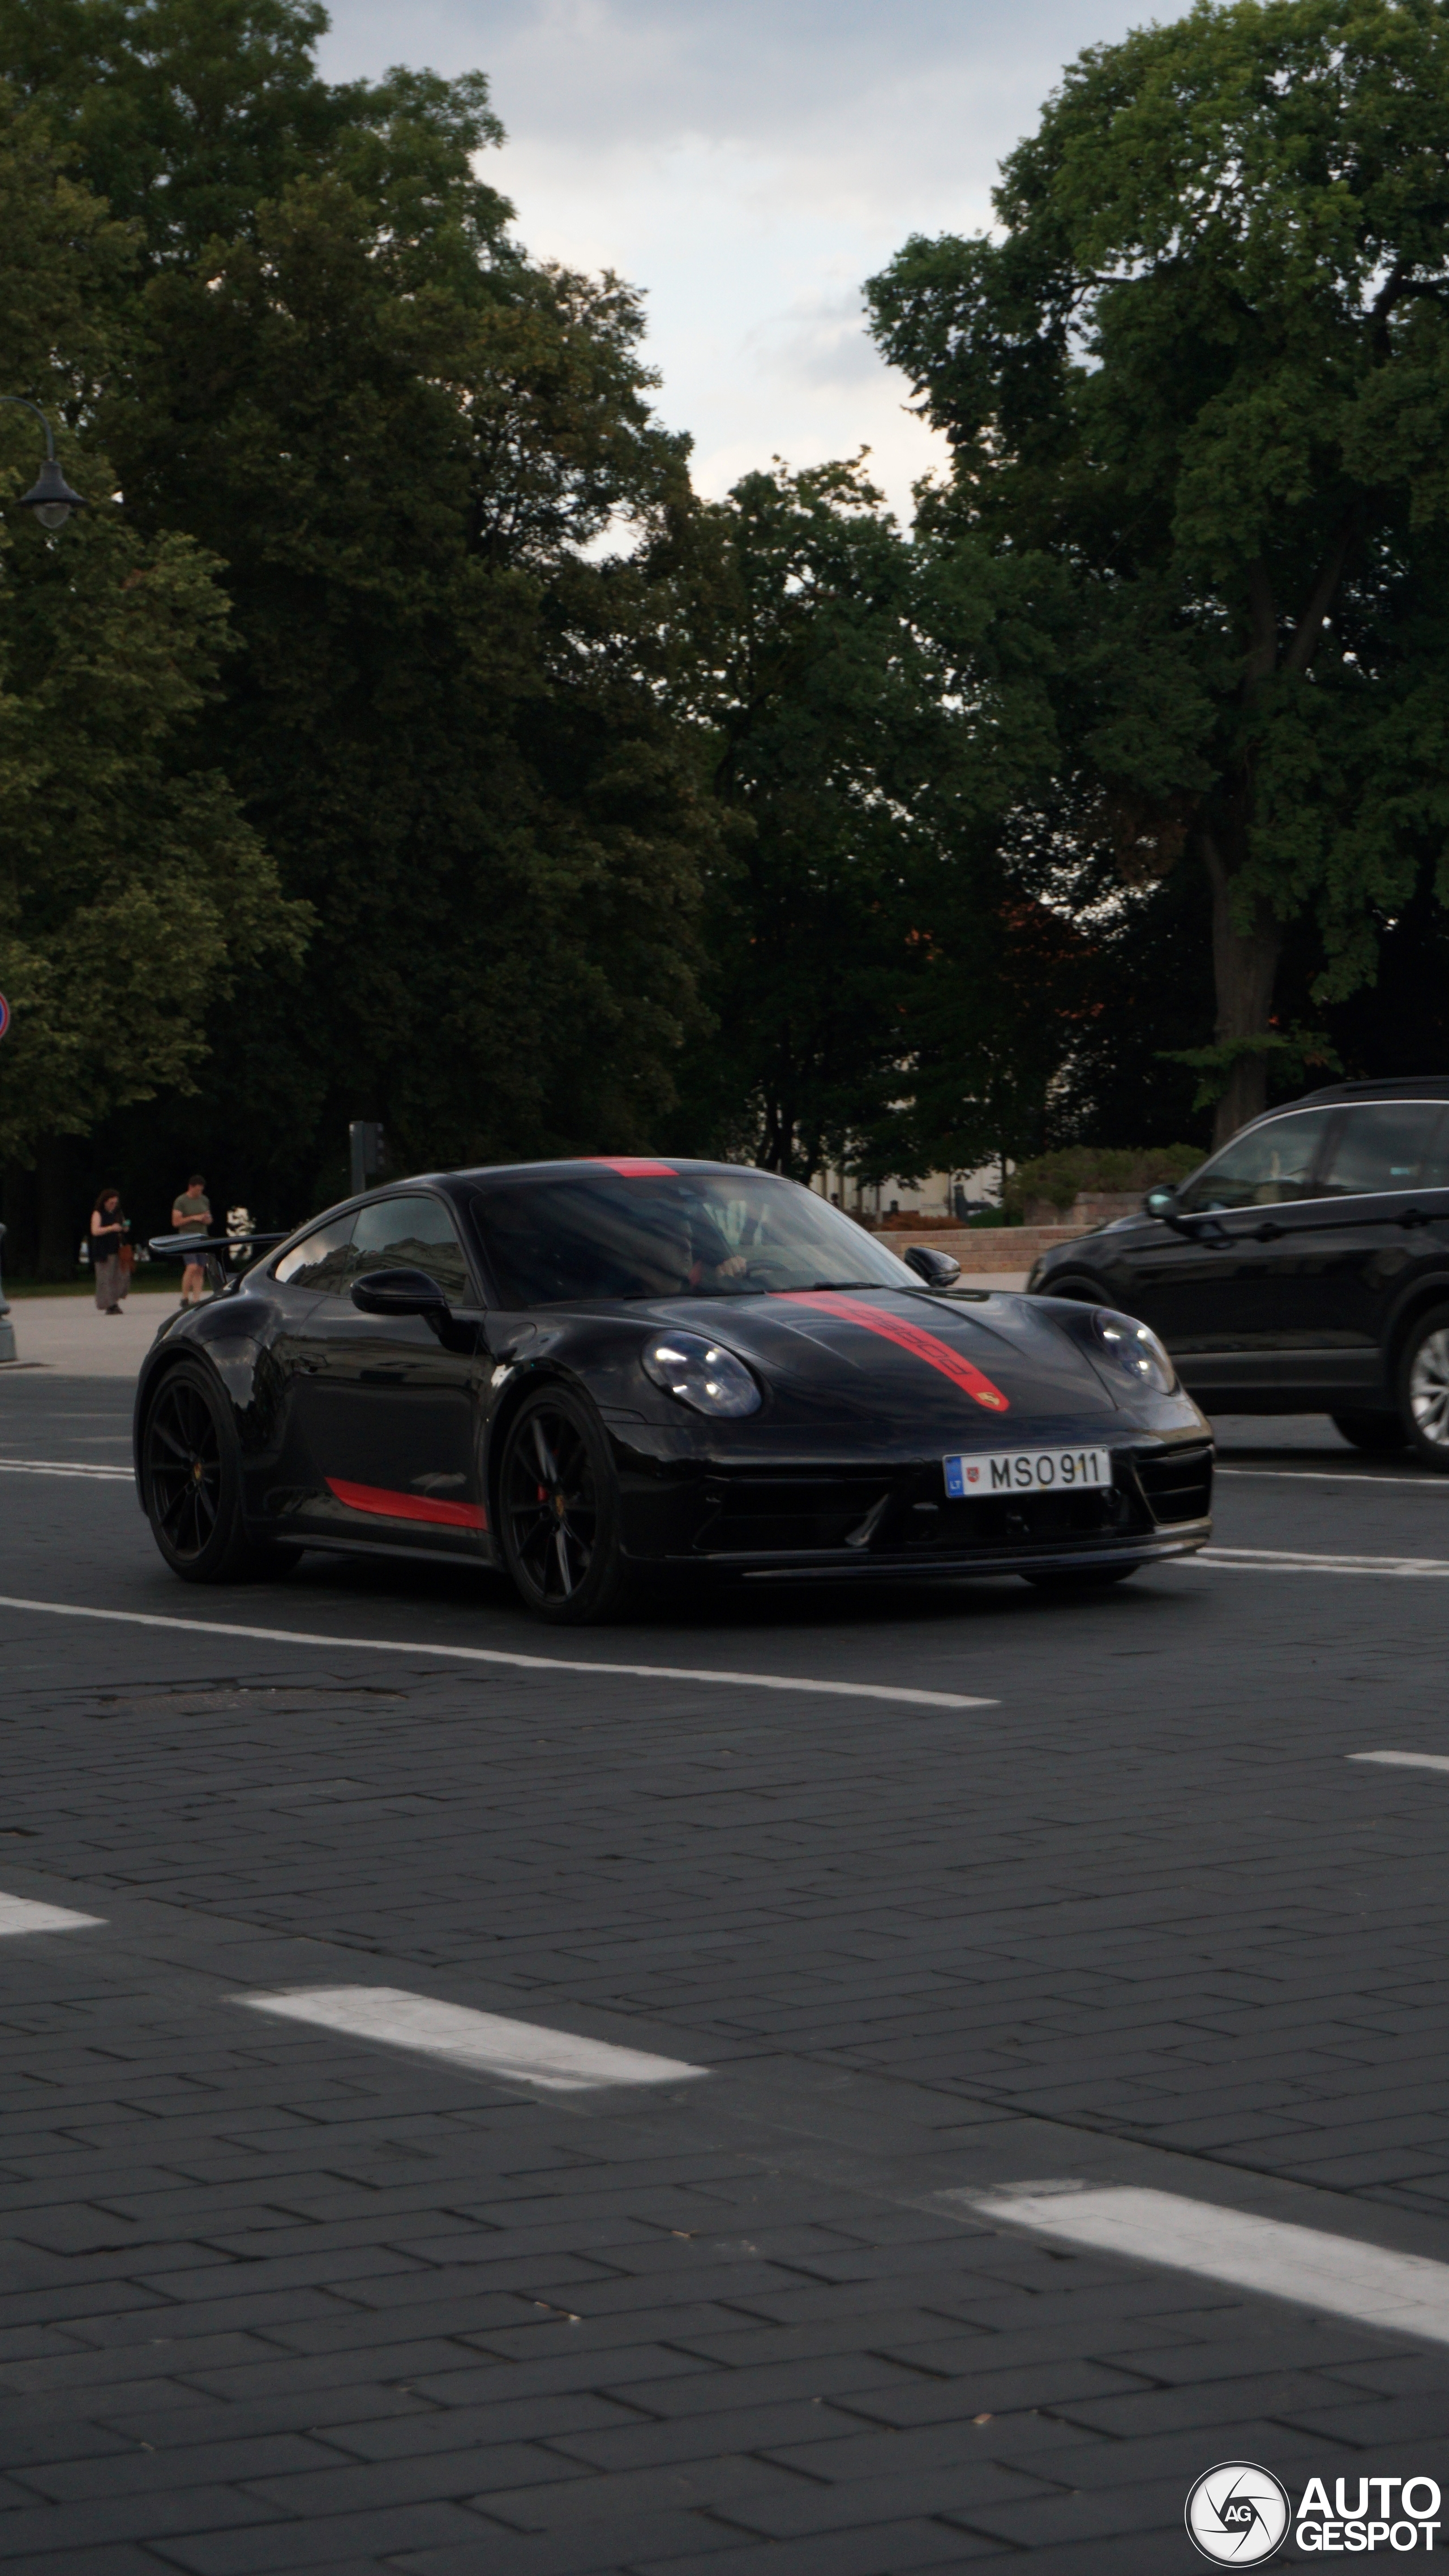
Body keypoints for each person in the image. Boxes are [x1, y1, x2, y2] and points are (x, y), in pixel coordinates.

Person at [172, 1172, 212, 1306]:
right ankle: (184, 1297)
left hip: (201, 1237)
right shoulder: (181, 1201)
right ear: (191, 1187)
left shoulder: (204, 1200)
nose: (199, 1193)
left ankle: (196, 1299)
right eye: (197, 1190)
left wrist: (206, 1219)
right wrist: (194, 1218)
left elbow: (209, 1218)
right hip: (186, 1237)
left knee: (201, 1268)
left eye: (201, 1190)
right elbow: (176, 1222)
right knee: (192, 1266)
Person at [89, 1189, 129, 1314]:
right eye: (111, 1203)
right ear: (105, 1202)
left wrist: (124, 1227)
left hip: (118, 1248)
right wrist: (111, 1228)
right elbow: (95, 1231)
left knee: (121, 1276)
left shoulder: (118, 1213)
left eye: (115, 1203)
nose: (113, 1205)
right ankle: (110, 1305)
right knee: (105, 1278)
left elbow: (124, 1225)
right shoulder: (98, 1213)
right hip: (103, 1250)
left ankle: (115, 1299)